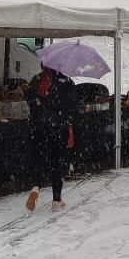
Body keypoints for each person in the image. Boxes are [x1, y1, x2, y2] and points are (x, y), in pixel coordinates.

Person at [24, 64, 79, 212]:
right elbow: (73, 107)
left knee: (40, 159)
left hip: (38, 129)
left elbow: (29, 101)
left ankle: (36, 187)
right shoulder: (65, 82)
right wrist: (67, 119)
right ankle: (56, 200)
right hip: (58, 128)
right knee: (56, 163)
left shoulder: (37, 80)